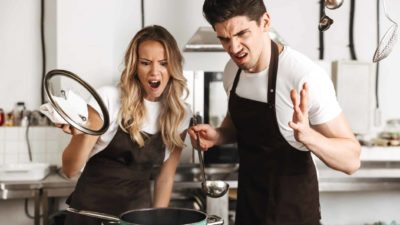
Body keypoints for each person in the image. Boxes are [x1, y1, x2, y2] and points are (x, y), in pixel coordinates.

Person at [188, 0, 361, 224]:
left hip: (293, 214)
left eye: (242, 34)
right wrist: (219, 135)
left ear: (265, 22)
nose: (234, 47)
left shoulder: (303, 76)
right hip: (249, 209)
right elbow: (235, 125)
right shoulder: (232, 72)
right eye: (224, 38)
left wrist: (309, 137)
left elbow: (352, 160)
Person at [58, 25, 191, 225]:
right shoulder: (108, 99)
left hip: (136, 219)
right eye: (145, 63)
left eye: (163, 63)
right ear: (134, 67)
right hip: (89, 216)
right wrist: (80, 135)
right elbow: (70, 170)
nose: (154, 72)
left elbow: (165, 177)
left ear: (173, 67)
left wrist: (157, 220)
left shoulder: (180, 113)